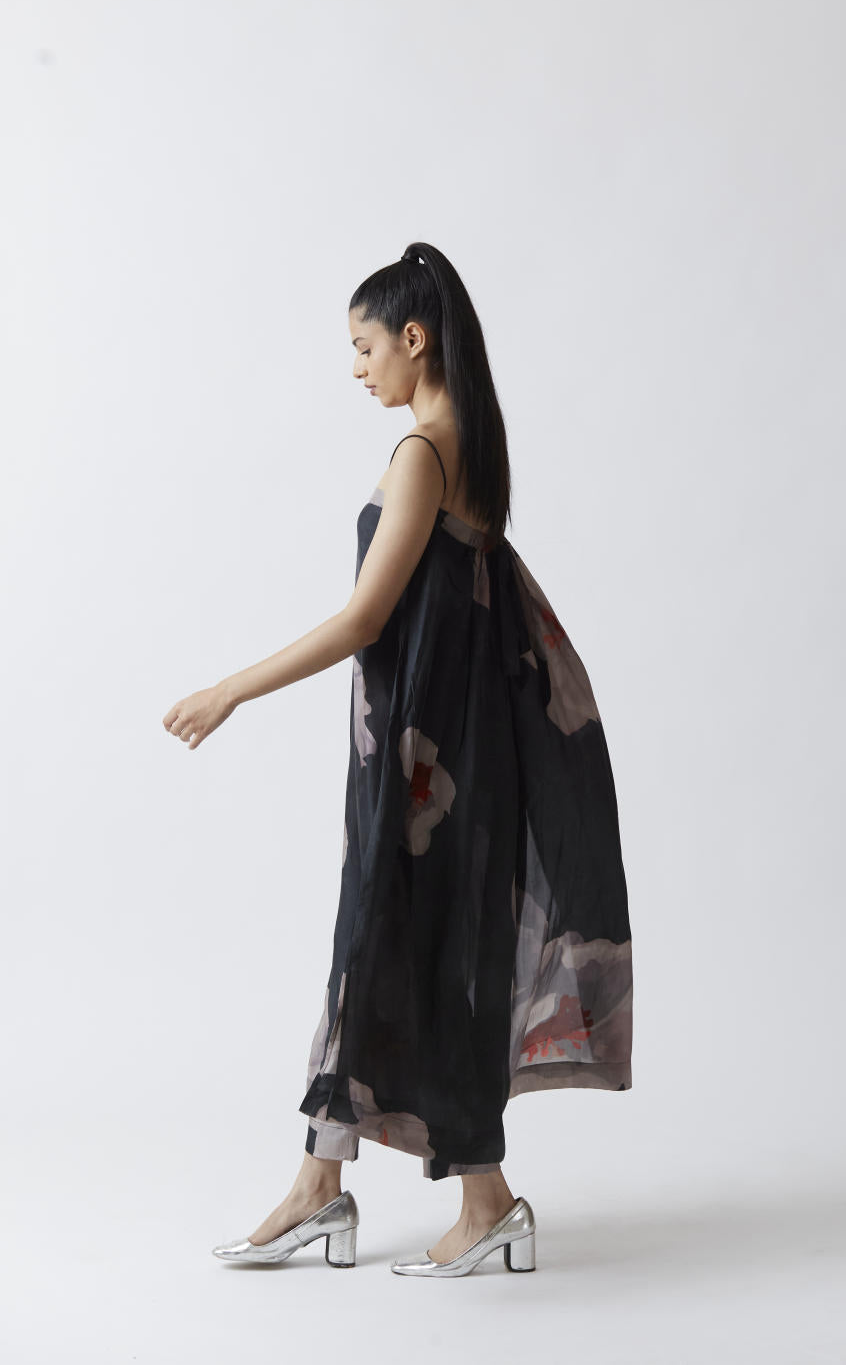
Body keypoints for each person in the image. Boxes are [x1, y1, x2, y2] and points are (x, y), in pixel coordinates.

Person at [163, 242, 633, 1277]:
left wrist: (230, 690)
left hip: (425, 765)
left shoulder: (423, 453)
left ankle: (399, 1198)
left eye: (364, 345)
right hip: (445, 754)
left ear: (414, 339)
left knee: (389, 950)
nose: (356, 366)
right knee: (413, 954)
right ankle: (376, 1193)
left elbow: (364, 619)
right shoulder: (474, 449)